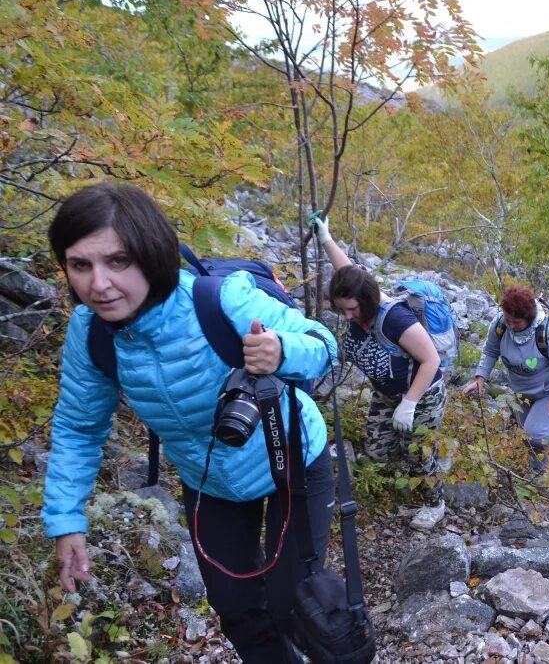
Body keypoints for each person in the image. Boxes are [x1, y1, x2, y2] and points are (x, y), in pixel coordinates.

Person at [42, 183, 338, 664]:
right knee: (237, 610)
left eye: (117, 261)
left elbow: (323, 343)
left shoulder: (219, 299)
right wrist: (65, 518)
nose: (98, 284)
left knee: (295, 605)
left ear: (152, 254)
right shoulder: (90, 335)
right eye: (80, 264)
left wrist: (283, 351)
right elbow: (78, 427)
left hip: (293, 459)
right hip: (209, 480)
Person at [314, 217, 448, 531]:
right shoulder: (355, 297)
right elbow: (347, 270)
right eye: (342, 309)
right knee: (377, 449)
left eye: (352, 309)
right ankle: (414, 464)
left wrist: (410, 403)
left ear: (368, 300)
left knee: (416, 452)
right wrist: (326, 238)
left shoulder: (395, 320)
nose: (347, 315)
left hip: (423, 394)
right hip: (386, 393)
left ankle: (435, 501)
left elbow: (430, 360)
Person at [462, 285, 549, 473]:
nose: (511, 325)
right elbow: (490, 351)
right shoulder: (500, 325)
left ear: (528, 318)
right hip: (521, 391)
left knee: (534, 431)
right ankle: (539, 475)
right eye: (508, 319)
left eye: (516, 322)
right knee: (529, 438)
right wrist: (480, 379)